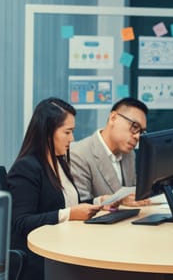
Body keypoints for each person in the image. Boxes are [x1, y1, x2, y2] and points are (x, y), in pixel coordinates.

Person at [7, 97, 103, 280]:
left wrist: (99, 202)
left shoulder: (60, 162)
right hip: (39, 263)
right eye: (67, 132)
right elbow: (21, 223)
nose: (72, 139)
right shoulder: (27, 168)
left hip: (63, 251)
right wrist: (68, 215)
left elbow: (65, 203)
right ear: (47, 132)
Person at [70, 97, 150, 206]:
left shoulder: (129, 154)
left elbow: (133, 194)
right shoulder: (79, 154)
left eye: (141, 131)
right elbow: (80, 206)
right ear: (113, 118)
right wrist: (121, 201)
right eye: (134, 126)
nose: (137, 136)